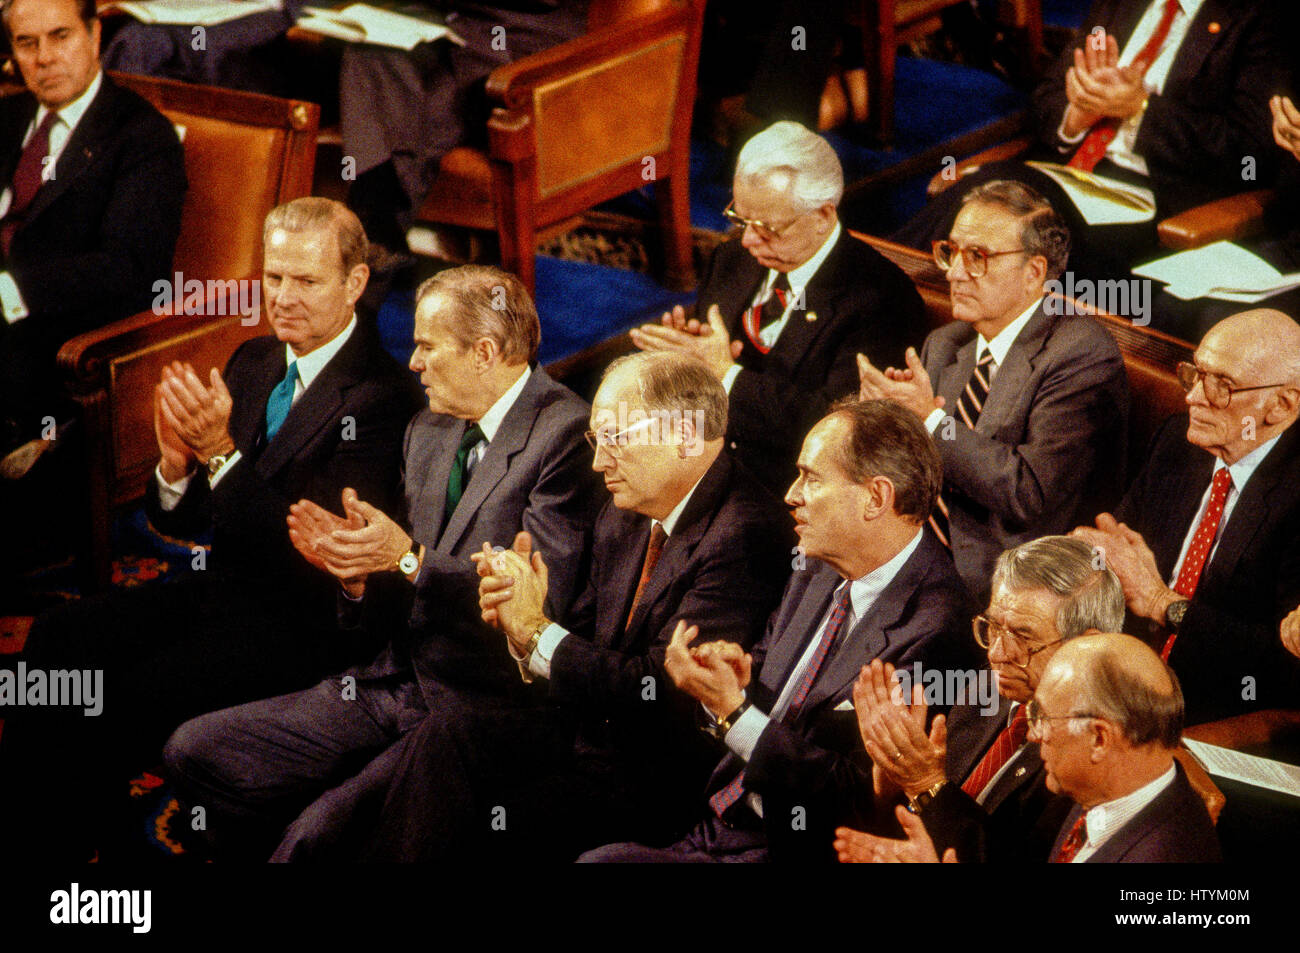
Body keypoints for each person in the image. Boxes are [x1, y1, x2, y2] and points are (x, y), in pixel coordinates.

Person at [0, 197, 421, 861]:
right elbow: (190, 518)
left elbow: (309, 547)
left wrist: (221, 454)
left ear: (356, 283)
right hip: (221, 593)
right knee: (57, 636)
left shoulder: (383, 398)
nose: (283, 297)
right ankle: (37, 834)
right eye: (273, 277)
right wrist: (175, 467)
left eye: (306, 281)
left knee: (114, 694)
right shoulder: (255, 359)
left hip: (302, 626)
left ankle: (92, 866)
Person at [162, 263, 601, 860]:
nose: (413, 362)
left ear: (484, 352)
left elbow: (538, 607)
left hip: (475, 710)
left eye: (426, 346)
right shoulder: (427, 428)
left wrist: (409, 562)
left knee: (313, 840)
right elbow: (392, 570)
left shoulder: (565, 434)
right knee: (194, 749)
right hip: (388, 681)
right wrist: (354, 574)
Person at [355, 351, 796, 862]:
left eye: (615, 439)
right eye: (595, 440)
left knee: (499, 822)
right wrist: (522, 623)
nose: (598, 462)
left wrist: (539, 632)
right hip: (586, 732)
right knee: (447, 735)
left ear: (686, 436)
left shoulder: (745, 534)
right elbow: (582, 633)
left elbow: (659, 689)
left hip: (657, 773)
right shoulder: (625, 509)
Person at [580, 399, 976, 863]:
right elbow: (760, 678)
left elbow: (859, 796)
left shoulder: (938, 625)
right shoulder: (815, 565)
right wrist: (726, 682)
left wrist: (732, 711)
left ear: (876, 498)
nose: (791, 494)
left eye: (811, 478)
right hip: (718, 820)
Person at [859, 180, 1129, 600]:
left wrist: (928, 421)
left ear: (1034, 272)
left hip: (1002, 580)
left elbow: (1027, 493)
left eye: (978, 257)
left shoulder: (1081, 355)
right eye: (950, 252)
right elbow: (918, 471)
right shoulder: (947, 343)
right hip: (912, 551)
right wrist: (886, 422)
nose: (954, 272)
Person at [893, 0, 1289, 284]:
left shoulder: (1262, 20)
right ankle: (886, 281)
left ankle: (883, 279)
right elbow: (1046, 98)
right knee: (991, 200)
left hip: (1150, 209)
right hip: (1067, 175)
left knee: (1002, 192)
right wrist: (1078, 113)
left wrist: (1141, 109)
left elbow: (1248, 154)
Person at [630, 121, 926, 495]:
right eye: (741, 220)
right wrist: (687, 357)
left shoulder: (881, 301)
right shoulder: (732, 258)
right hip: (705, 455)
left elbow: (837, 429)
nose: (749, 240)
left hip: (789, 490)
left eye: (768, 227)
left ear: (823, 216)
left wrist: (725, 375)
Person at [837, 535, 1124, 864]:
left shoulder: (1092, 748)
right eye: (993, 628)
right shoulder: (985, 689)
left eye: (1023, 636)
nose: (997, 654)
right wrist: (890, 785)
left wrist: (926, 786)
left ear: (1086, 645)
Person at [1073, 308, 1300, 723]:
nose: (1193, 396)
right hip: (1123, 670)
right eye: (1195, 374)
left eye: (1222, 385)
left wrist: (1164, 604)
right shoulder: (1180, 442)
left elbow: (1282, 666)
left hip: (1217, 709)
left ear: (1281, 406)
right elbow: (1120, 555)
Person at [0, 0, 186, 478]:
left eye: (60, 36)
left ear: (95, 36)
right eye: (27, 42)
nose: (43, 57)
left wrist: (9, 291)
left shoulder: (142, 136)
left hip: (57, 345)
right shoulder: (7, 117)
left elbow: (130, 270)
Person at [843, 633, 1222, 863]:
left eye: (1045, 719)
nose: (1035, 734)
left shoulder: (1164, 857)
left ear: (1100, 738)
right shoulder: (1109, 787)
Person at [340, 1, 590, 256]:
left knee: (422, 119)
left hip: (515, 44)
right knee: (369, 51)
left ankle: (375, 242)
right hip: (441, 25)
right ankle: (375, 216)